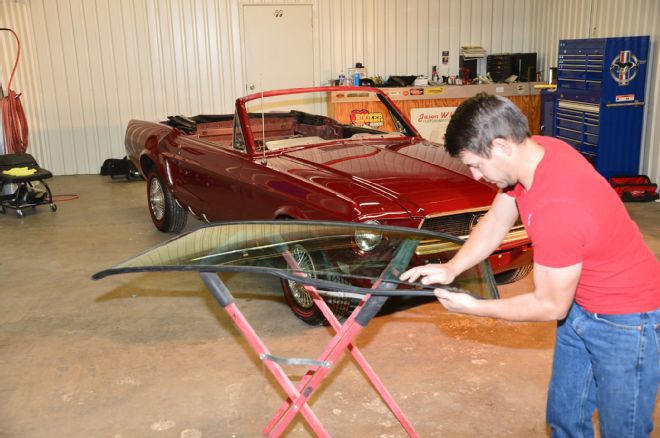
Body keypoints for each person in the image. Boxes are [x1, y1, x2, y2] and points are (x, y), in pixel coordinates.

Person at [400, 93, 660, 437]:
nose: (476, 176)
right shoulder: (535, 154)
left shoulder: (559, 206)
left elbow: (550, 304)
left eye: (476, 164)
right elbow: (496, 221)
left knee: (623, 430)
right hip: (580, 307)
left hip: (628, 321)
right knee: (564, 417)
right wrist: (451, 268)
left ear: (502, 145)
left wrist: (475, 308)